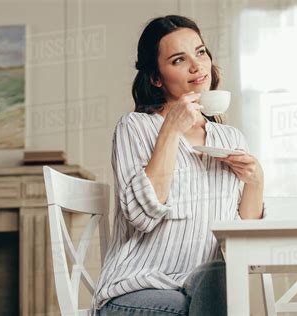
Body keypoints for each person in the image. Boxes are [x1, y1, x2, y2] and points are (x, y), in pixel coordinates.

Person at [91, 15, 265, 316]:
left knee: (218, 273)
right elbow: (141, 217)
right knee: (196, 305)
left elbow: (243, 245)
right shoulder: (136, 127)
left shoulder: (230, 138)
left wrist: (256, 180)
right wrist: (170, 130)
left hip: (204, 285)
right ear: (156, 78)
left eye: (200, 52)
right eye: (178, 60)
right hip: (136, 290)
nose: (197, 66)